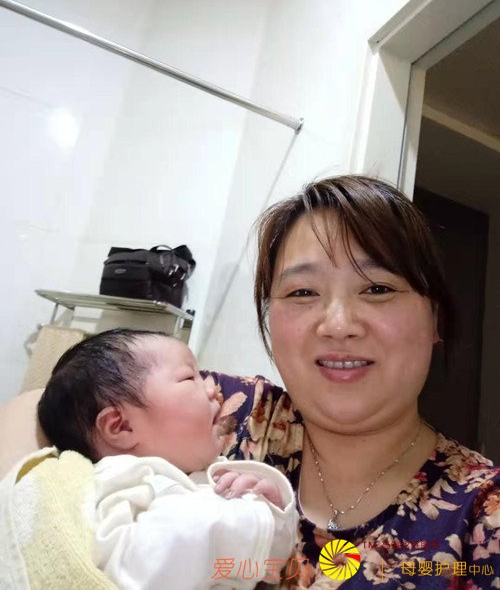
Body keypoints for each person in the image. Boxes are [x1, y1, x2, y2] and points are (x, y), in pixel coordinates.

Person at [200, 175, 500, 588]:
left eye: (377, 288)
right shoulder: (213, 412)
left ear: (435, 319)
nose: (338, 325)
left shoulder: (483, 517)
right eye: (303, 292)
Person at [5, 329, 297, 590]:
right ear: (121, 426)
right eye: (190, 378)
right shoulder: (115, 483)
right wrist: (246, 518)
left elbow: (267, 567)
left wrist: (270, 509)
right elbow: (141, 569)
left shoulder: (200, 477)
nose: (213, 389)